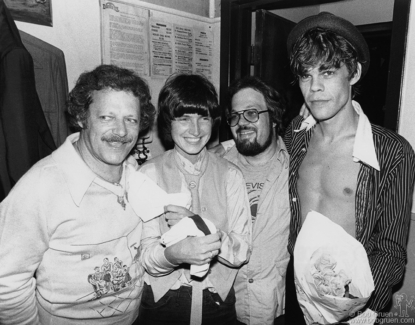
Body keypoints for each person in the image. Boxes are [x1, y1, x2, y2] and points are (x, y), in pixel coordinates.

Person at [284, 12, 415, 324]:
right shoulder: (294, 137)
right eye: (306, 75)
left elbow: (392, 249)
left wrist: (360, 307)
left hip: (354, 305)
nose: (314, 88)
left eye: (327, 73)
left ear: (353, 73)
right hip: (295, 292)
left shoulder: (392, 151)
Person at [0, 64, 156, 325]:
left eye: (131, 119)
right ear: (82, 117)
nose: (121, 131)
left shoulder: (134, 173)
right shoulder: (41, 186)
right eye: (107, 117)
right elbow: (6, 281)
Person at [136, 73, 251, 325]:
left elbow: (241, 251)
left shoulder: (230, 175)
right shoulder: (149, 174)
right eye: (184, 118)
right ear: (169, 122)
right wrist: (175, 254)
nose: (196, 130)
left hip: (217, 302)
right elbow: (146, 255)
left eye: (204, 118)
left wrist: (199, 224)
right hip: (164, 301)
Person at [218, 76, 290, 325]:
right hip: (223, 308)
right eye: (235, 116)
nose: (242, 123)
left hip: (277, 310)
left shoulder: (297, 167)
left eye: (251, 113)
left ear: (274, 116)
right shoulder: (216, 169)